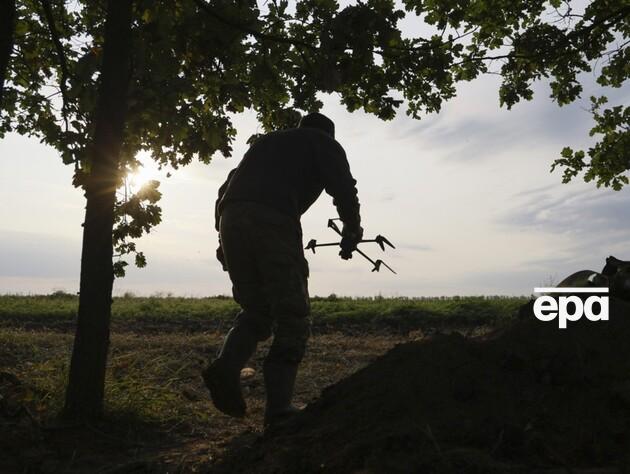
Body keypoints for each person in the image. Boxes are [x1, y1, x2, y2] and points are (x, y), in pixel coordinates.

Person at [202, 112, 363, 426]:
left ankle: (226, 366)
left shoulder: (264, 145)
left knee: (257, 310)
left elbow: (225, 190)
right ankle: (278, 412)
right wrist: (352, 228)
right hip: (273, 220)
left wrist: (224, 241)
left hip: (231, 220)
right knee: (293, 316)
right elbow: (343, 187)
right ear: (327, 133)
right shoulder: (322, 142)